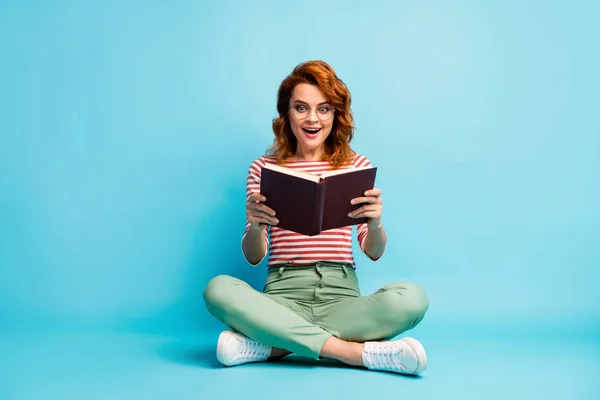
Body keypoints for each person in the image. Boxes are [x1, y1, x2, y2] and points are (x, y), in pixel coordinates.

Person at [203, 60, 430, 375]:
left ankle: (274, 345)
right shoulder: (263, 168)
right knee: (218, 289)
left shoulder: (356, 165)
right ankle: (352, 353)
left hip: (342, 298)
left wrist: (375, 223)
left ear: (335, 115)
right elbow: (254, 257)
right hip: (283, 297)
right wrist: (255, 226)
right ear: (287, 114)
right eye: (301, 108)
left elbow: (374, 252)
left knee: (412, 298)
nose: (312, 119)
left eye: (324, 109)